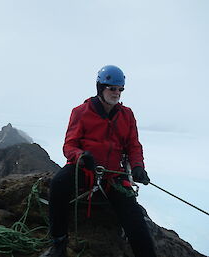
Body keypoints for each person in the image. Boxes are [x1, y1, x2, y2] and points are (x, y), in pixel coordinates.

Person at [40, 65, 157, 257]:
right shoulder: (81, 112)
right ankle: (58, 244)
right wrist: (81, 156)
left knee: (134, 218)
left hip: (112, 175)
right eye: (112, 88)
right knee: (59, 184)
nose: (117, 93)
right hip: (85, 169)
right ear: (100, 88)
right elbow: (69, 146)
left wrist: (137, 167)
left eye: (120, 89)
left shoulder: (126, 115)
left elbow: (133, 146)